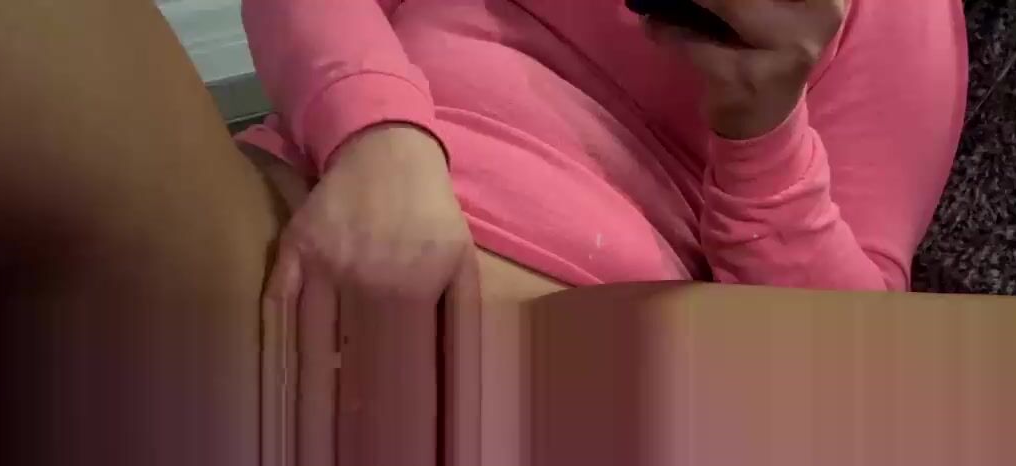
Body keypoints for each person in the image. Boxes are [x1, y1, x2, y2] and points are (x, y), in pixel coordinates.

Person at [242, 0, 969, 300]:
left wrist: (763, 129)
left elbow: (855, 351)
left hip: (580, 332)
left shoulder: (902, 19)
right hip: (322, 186)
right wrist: (378, 139)